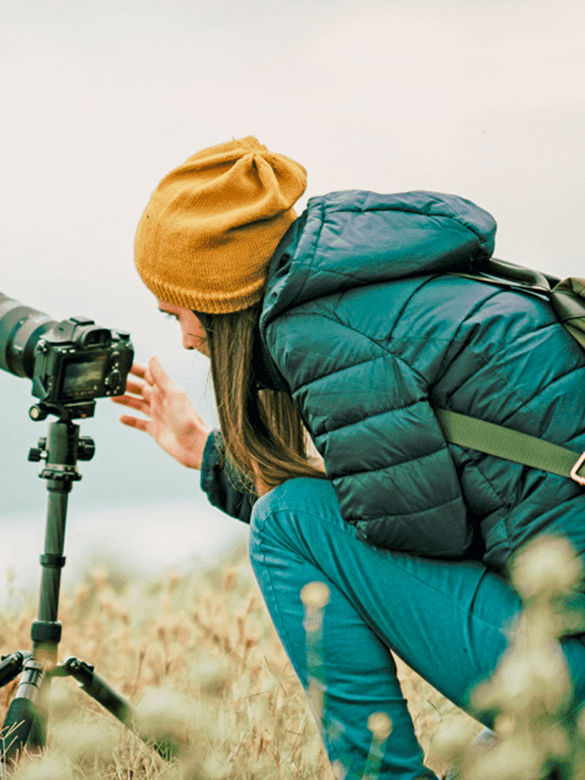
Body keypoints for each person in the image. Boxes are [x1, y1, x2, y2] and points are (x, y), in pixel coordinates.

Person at [112, 136, 585, 778]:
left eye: (178, 314)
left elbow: (416, 539)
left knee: (286, 520)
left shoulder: (319, 332)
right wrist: (207, 454)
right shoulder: (398, 279)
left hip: (572, 667)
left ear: (222, 296)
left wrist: (240, 470)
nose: (188, 336)